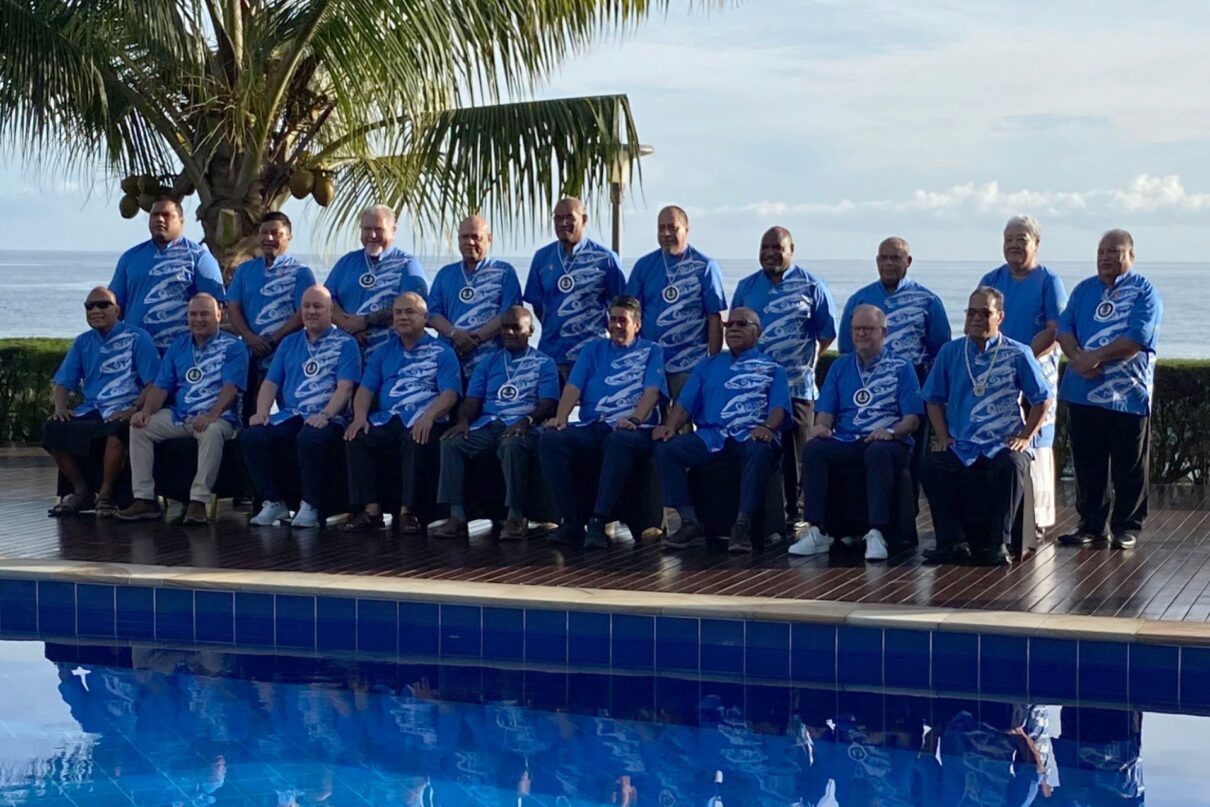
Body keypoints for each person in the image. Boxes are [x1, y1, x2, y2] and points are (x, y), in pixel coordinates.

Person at [920, 287, 1051, 566]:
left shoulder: (1018, 353)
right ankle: (951, 542)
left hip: (1002, 442)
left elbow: (1042, 399)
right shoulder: (950, 352)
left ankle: (999, 543)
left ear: (999, 317)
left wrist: (1026, 437)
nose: (976, 318)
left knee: (1013, 466)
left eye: (985, 313)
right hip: (963, 444)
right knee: (931, 466)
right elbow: (932, 399)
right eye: (971, 312)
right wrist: (943, 435)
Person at [792, 305, 924, 561]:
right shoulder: (840, 367)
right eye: (856, 329)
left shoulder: (902, 368)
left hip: (888, 440)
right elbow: (826, 411)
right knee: (815, 449)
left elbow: (912, 420)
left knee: (877, 452)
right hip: (847, 438)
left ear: (883, 331)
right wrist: (820, 427)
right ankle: (817, 530)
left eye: (867, 329)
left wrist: (890, 431)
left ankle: (876, 532)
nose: (861, 334)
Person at [1057, 229, 1162, 550]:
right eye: (1101, 252)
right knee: (1088, 465)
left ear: (1130, 255)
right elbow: (1063, 329)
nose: (1105, 258)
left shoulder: (1145, 291)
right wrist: (1078, 358)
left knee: (1128, 465)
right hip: (1082, 391)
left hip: (1126, 395)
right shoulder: (1084, 289)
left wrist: (1095, 357)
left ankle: (1126, 527)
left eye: (1113, 252)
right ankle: (1091, 525)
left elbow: (1137, 338)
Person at [654, 306, 789, 553]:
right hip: (711, 437)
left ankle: (742, 526)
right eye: (729, 325)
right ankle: (689, 523)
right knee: (667, 449)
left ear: (757, 331)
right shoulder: (707, 366)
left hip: (751, 435)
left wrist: (768, 427)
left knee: (759, 451)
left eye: (742, 324)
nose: (734, 329)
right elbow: (684, 404)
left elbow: (779, 407)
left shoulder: (773, 368)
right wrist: (670, 427)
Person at [538, 295, 667, 549]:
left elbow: (652, 392)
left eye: (623, 321)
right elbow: (573, 387)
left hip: (636, 428)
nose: (617, 326)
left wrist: (634, 418)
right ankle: (571, 521)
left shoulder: (652, 351)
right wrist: (561, 418)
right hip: (595, 424)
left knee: (618, 440)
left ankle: (599, 520)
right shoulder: (593, 349)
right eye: (613, 320)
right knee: (551, 439)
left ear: (637, 325)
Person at [731, 226, 836, 525]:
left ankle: (799, 511)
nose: (770, 253)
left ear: (791, 249)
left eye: (777, 247)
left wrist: (803, 360)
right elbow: (737, 328)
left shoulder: (812, 285)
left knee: (798, 453)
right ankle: (765, 511)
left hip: (798, 385)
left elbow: (826, 334)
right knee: (761, 448)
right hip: (756, 386)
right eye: (765, 247)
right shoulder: (747, 286)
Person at [116, 293, 247, 525]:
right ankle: (144, 499)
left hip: (220, 417)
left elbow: (231, 389)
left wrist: (211, 415)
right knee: (140, 428)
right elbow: (161, 387)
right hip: (180, 416)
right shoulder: (178, 346)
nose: (198, 319)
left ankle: (198, 501)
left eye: (204, 313)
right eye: (193, 314)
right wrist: (145, 411)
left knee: (212, 432)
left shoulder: (233, 347)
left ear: (219, 315)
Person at [432, 307, 559, 540]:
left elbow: (548, 403)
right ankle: (457, 516)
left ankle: (515, 516)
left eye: (516, 327)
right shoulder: (489, 361)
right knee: (451, 442)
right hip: (489, 424)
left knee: (512, 445)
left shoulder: (544, 363)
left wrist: (525, 421)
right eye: (505, 327)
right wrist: (463, 421)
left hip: (524, 425)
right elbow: (472, 400)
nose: (509, 332)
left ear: (530, 330)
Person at [242, 286, 361, 529]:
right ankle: (274, 501)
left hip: (329, 417)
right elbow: (270, 384)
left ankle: (310, 505)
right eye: (306, 306)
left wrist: (326, 414)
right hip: (292, 414)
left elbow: (345, 388)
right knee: (252, 436)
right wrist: (262, 412)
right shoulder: (289, 343)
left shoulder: (346, 344)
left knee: (311, 438)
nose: (311, 311)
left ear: (330, 311)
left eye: (318, 306)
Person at [979, 216, 1068, 540]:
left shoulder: (1048, 281)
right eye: (1009, 239)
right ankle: (994, 512)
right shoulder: (991, 278)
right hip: (995, 372)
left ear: (1036, 243)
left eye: (1022, 239)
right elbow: (978, 320)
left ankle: (1037, 517)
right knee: (996, 435)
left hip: (1034, 367)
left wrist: (1022, 356)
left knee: (1036, 439)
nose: (1014, 245)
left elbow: (1056, 328)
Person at [343, 292, 460, 534]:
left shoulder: (442, 352)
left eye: (410, 312)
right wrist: (360, 417)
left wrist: (428, 416)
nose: (403, 317)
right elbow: (365, 389)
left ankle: (409, 512)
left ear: (425, 317)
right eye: (398, 313)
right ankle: (372, 511)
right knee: (356, 436)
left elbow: (450, 394)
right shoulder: (383, 352)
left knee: (414, 439)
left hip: (427, 417)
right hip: (389, 418)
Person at [43, 287, 159, 517]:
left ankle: (105, 495)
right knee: (52, 429)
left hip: (125, 407)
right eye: (90, 306)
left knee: (116, 432)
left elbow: (153, 384)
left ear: (117, 310)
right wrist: (60, 408)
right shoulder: (82, 342)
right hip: (92, 408)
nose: (95, 310)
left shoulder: (138, 338)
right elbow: (64, 383)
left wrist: (133, 409)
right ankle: (81, 491)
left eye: (102, 305)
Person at [624, 205, 726, 399]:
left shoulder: (705, 266)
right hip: (651, 362)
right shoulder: (644, 266)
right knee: (650, 422)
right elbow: (630, 314)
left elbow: (715, 317)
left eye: (673, 228)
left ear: (686, 230)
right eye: (661, 228)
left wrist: (713, 363)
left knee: (682, 423)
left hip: (689, 364)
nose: (666, 233)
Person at [523, 197, 625, 380]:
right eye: (557, 218)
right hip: (552, 353)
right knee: (549, 407)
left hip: (592, 353)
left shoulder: (605, 259)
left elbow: (620, 306)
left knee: (594, 407)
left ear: (584, 220)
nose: (563, 223)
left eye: (570, 217)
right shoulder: (542, 257)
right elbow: (537, 305)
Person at [226, 212, 317, 418]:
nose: (269, 238)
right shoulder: (245, 270)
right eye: (264, 233)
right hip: (251, 354)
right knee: (249, 412)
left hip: (286, 353)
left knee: (290, 412)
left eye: (276, 233)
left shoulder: (300, 273)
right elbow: (233, 307)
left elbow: (303, 312)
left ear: (288, 237)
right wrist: (250, 338)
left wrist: (274, 340)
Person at [108, 197, 226, 353]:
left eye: (166, 215)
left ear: (182, 221)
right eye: (154, 215)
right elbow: (114, 307)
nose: (160, 219)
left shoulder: (199, 258)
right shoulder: (130, 258)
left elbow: (216, 309)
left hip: (182, 352)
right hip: (137, 351)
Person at [427, 215, 522, 381]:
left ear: (489, 239)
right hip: (451, 361)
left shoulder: (505, 272)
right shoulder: (445, 274)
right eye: (464, 237)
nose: (469, 242)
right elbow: (432, 314)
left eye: (475, 237)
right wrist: (454, 334)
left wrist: (476, 339)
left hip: (491, 363)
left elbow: (509, 314)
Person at [324, 205, 428, 356]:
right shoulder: (346, 262)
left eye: (379, 229)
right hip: (347, 354)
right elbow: (326, 298)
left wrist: (365, 321)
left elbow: (413, 308)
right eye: (366, 229)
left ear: (393, 230)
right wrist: (346, 324)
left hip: (391, 355)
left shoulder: (407, 264)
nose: (372, 235)